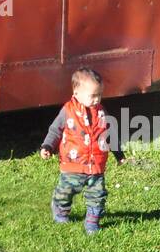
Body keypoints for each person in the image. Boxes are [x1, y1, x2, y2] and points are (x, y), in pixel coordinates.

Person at [40, 68, 124, 234]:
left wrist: (119, 154)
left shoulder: (101, 112)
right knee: (66, 192)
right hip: (73, 165)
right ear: (76, 93)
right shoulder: (67, 111)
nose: (97, 99)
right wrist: (47, 146)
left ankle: (92, 223)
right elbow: (55, 130)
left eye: (99, 95)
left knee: (97, 195)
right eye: (92, 96)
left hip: (96, 166)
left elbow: (110, 134)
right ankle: (60, 210)